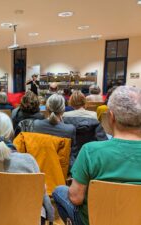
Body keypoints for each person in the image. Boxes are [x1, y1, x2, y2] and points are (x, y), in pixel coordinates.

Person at [53, 86, 141, 225]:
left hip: (93, 221)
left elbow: (75, 198)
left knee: (59, 191)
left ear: (111, 117)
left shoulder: (90, 151)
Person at [0, 111, 54, 224]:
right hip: (29, 220)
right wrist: (51, 216)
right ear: (10, 132)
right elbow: (42, 195)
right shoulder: (28, 161)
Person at [32, 94, 76, 166]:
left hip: (40, 164)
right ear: (63, 109)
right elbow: (71, 153)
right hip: (61, 168)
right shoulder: (70, 129)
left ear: (46, 108)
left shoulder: (36, 124)